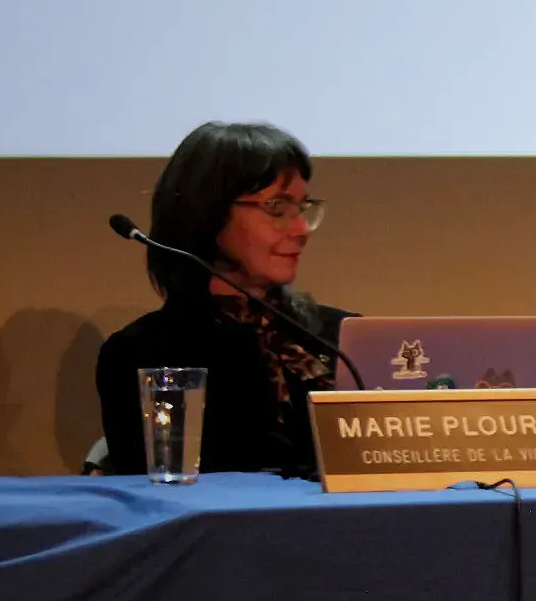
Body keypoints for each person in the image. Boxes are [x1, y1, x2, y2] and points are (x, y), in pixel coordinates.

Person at [96, 122, 351, 476]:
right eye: (277, 208)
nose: (301, 229)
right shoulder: (143, 353)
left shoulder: (340, 336)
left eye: (303, 208)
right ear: (208, 213)